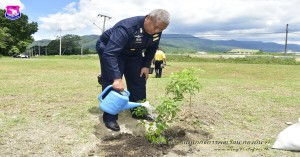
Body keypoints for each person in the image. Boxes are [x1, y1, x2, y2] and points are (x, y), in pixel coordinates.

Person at [96, 9, 170, 131]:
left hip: (134, 52)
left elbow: (153, 47)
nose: (157, 31)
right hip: (110, 50)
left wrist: (146, 65)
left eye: (161, 30)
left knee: (139, 79)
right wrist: (117, 78)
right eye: (156, 27)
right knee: (112, 82)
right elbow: (110, 54)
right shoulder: (126, 28)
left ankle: (138, 112)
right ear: (148, 18)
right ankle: (110, 117)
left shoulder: (157, 30)